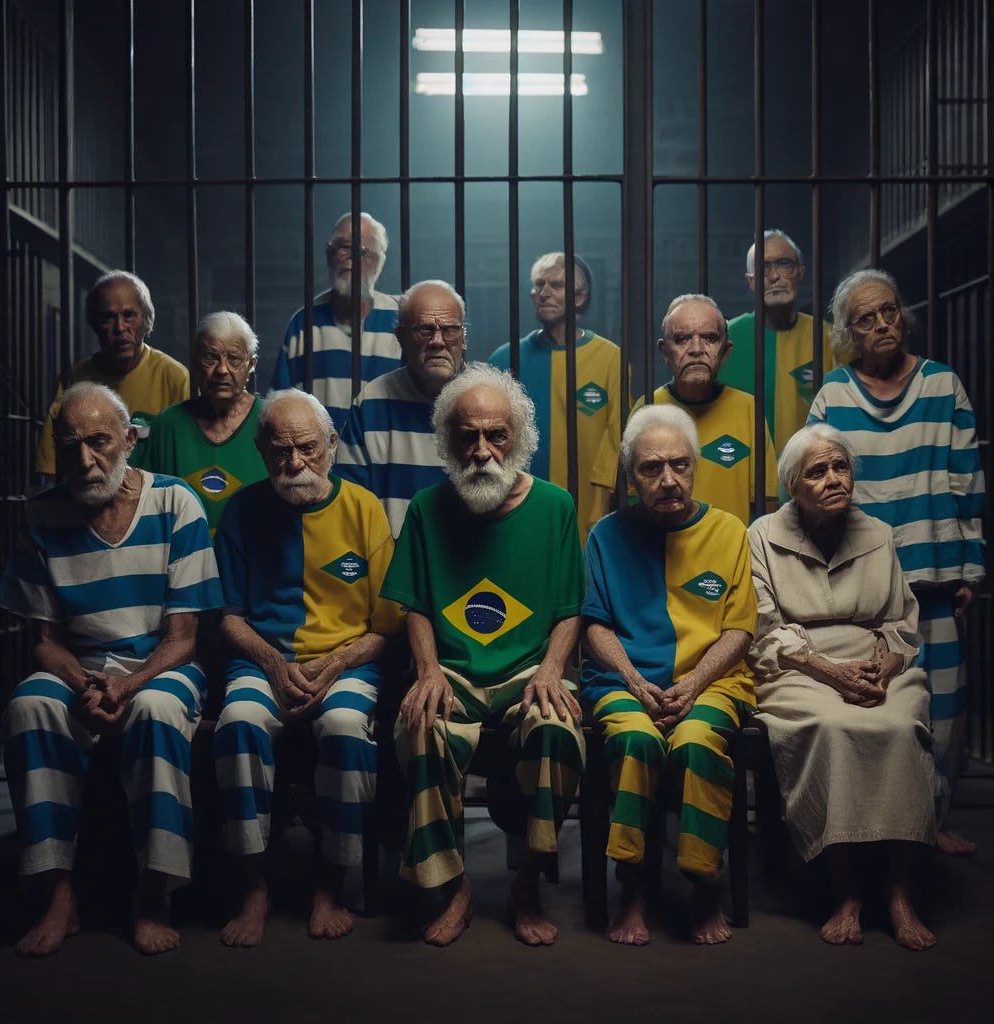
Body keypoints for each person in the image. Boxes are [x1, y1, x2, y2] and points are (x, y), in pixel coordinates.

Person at [0, 382, 222, 957]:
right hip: (81, 667)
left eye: (98, 441)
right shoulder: (41, 514)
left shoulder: (177, 504)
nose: (85, 459)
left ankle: (153, 894)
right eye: (70, 446)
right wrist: (86, 684)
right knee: (29, 705)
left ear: (130, 438)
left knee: (156, 708)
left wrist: (128, 683)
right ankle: (59, 892)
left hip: (159, 665)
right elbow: (44, 643)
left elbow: (185, 638)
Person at [381, 363, 585, 947]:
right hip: (453, 673)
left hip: (531, 672)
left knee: (556, 729)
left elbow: (571, 607)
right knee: (419, 723)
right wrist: (425, 671)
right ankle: (455, 888)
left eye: (495, 434)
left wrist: (551, 670)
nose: (481, 449)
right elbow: (413, 601)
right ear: (448, 440)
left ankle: (527, 884)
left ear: (517, 438)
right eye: (467, 435)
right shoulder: (425, 508)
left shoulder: (556, 506)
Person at [212, 389, 404, 947]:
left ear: (332, 447)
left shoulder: (365, 508)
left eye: (308, 449)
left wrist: (338, 662)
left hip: (347, 664)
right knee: (240, 724)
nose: (294, 464)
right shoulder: (243, 510)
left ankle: (330, 880)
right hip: (261, 659)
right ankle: (253, 885)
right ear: (260, 450)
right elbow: (228, 618)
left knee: (345, 729)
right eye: (280, 451)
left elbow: (386, 626)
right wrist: (273, 662)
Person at [808, 268, 986, 856]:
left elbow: (967, 483)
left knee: (947, 706)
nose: (883, 324)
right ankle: (880, 829)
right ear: (847, 334)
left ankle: (931, 821)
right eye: (866, 318)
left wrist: (972, 567)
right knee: (877, 707)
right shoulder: (833, 395)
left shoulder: (943, 386)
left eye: (889, 311)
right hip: (866, 588)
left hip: (936, 574)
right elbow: (812, 487)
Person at [747, 424, 936, 950]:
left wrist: (889, 662)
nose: (834, 478)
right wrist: (827, 670)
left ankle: (900, 894)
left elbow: (902, 619)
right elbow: (761, 628)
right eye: (817, 471)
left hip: (876, 663)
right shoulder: (761, 535)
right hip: (797, 666)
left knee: (899, 726)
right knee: (832, 726)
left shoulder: (877, 533)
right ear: (793, 486)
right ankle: (846, 891)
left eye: (840, 467)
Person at [581, 404, 757, 946]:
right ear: (630, 475)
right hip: (622, 682)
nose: (668, 480)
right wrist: (634, 680)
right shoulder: (605, 536)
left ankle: (705, 883)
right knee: (636, 741)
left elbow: (739, 630)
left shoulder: (729, 532)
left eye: (680, 465)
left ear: (696, 467)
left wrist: (696, 682)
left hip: (713, 680)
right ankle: (632, 884)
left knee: (698, 742)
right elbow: (594, 626)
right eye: (651, 468)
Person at [488, 251, 623, 541]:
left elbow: (618, 438)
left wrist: (601, 506)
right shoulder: (503, 359)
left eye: (556, 285)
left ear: (580, 296)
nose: (543, 293)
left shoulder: (611, 359)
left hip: (588, 514)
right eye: (538, 285)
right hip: (515, 511)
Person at [335, 280, 467, 537]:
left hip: (471, 563)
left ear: (463, 337)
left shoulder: (486, 398)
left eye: (450, 329)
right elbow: (349, 503)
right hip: (393, 564)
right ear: (401, 338)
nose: (437, 341)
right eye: (425, 330)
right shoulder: (371, 401)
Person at [35, 270, 190, 476]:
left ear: (145, 319)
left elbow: (187, 458)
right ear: (94, 323)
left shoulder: (173, 377)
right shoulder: (74, 378)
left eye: (129, 315)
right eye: (108, 317)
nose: (119, 328)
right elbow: (52, 466)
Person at [645, 292, 777, 524]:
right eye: (681, 339)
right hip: (663, 555)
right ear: (665, 352)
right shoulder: (648, 409)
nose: (696, 349)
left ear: (725, 352)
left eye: (709, 338)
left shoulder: (748, 409)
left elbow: (767, 507)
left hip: (732, 557)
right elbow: (634, 502)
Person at [132, 311, 266, 535]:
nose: (222, 370)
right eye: (211, 357)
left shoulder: (270, 420)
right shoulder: (168, 425)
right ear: (194, 362)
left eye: (233, 359)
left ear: (251, 364)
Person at [270, 212, 400, 433]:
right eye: (343, 247)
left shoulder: (401, 320)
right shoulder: (303, 323)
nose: (350, 257)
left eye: (362, 251)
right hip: (318, 463)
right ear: (329, 255)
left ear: (379, 261)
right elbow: (277, 408)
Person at [720, 229, 834, 453]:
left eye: (784, 264)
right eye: (764, 268)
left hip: (811, 474)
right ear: (751, 282)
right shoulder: (725, 339)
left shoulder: (829, 338)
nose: (774, 276)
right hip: (743, 476)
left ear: (800, 272)